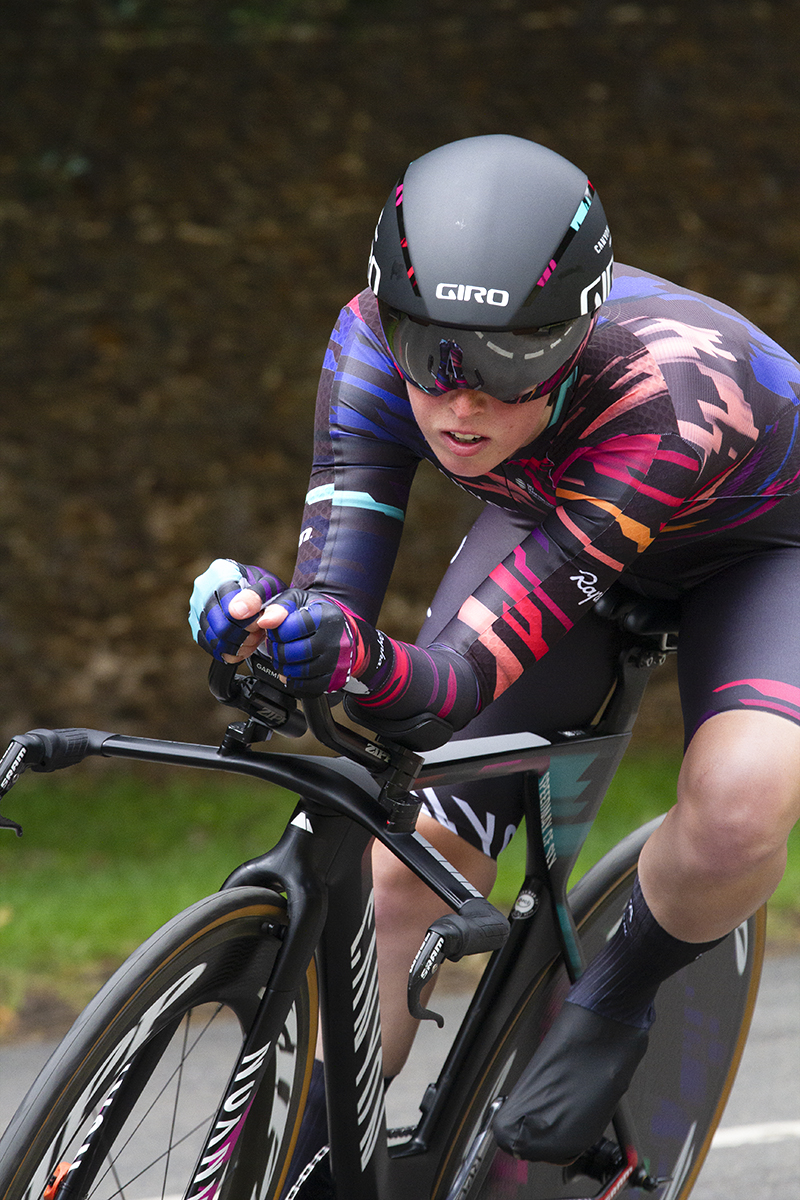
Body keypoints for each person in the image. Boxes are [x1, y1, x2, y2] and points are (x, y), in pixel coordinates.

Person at [189, 134, 800, 1180]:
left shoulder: (657, 399)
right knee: (397, 883)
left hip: (754, 549)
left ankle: (613, 1002)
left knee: (742, 798)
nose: (459, 404)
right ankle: (323, 1170)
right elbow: (338, 606)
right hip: (566, 517)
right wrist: (276, 629)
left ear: (575, 332)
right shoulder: (365, 342)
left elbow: (448, 688)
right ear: (387, 315)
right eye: (431, 354)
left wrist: (349, 655)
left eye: (510, 362)